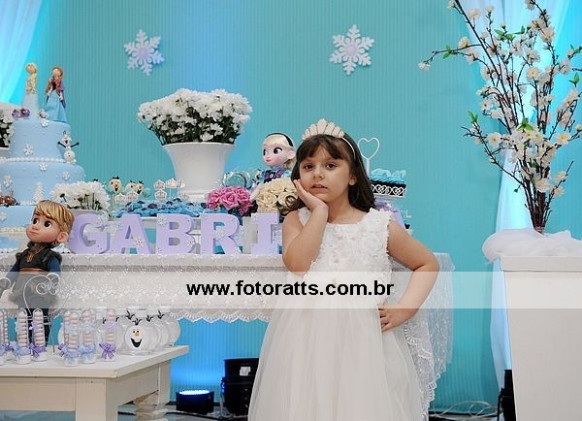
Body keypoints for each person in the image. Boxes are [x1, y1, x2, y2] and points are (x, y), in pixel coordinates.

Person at [248, 119, 439, 421]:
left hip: (364, 341)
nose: (318, 173)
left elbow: (427, 263)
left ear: (352, 176)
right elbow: (298, 264)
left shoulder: (378, 225)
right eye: (308, 166)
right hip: (306, 339)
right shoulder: (297, 220)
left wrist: (405, 308)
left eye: (330, 165)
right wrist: (319, 213)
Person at [0, 201, 74, 340]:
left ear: (61, 236)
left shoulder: (49, 256)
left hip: (39, 291)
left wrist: (52, 278)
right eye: (35, 220)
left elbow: (54, 270)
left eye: (47, 224)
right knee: (23, 318)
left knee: (40, 318)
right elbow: (15, 270)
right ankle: (24, 343)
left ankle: (40, 344)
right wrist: (6, 282)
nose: (35, 225)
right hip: (22, 291)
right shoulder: (24, 255)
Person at [250, 132, 296, 200]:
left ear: (290, 154)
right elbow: (259, 188)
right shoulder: (264, 173)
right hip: (263, 201)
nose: (268, 156)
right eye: (265, 152)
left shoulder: (287, 174)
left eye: (276, 151)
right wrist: (249, 200)